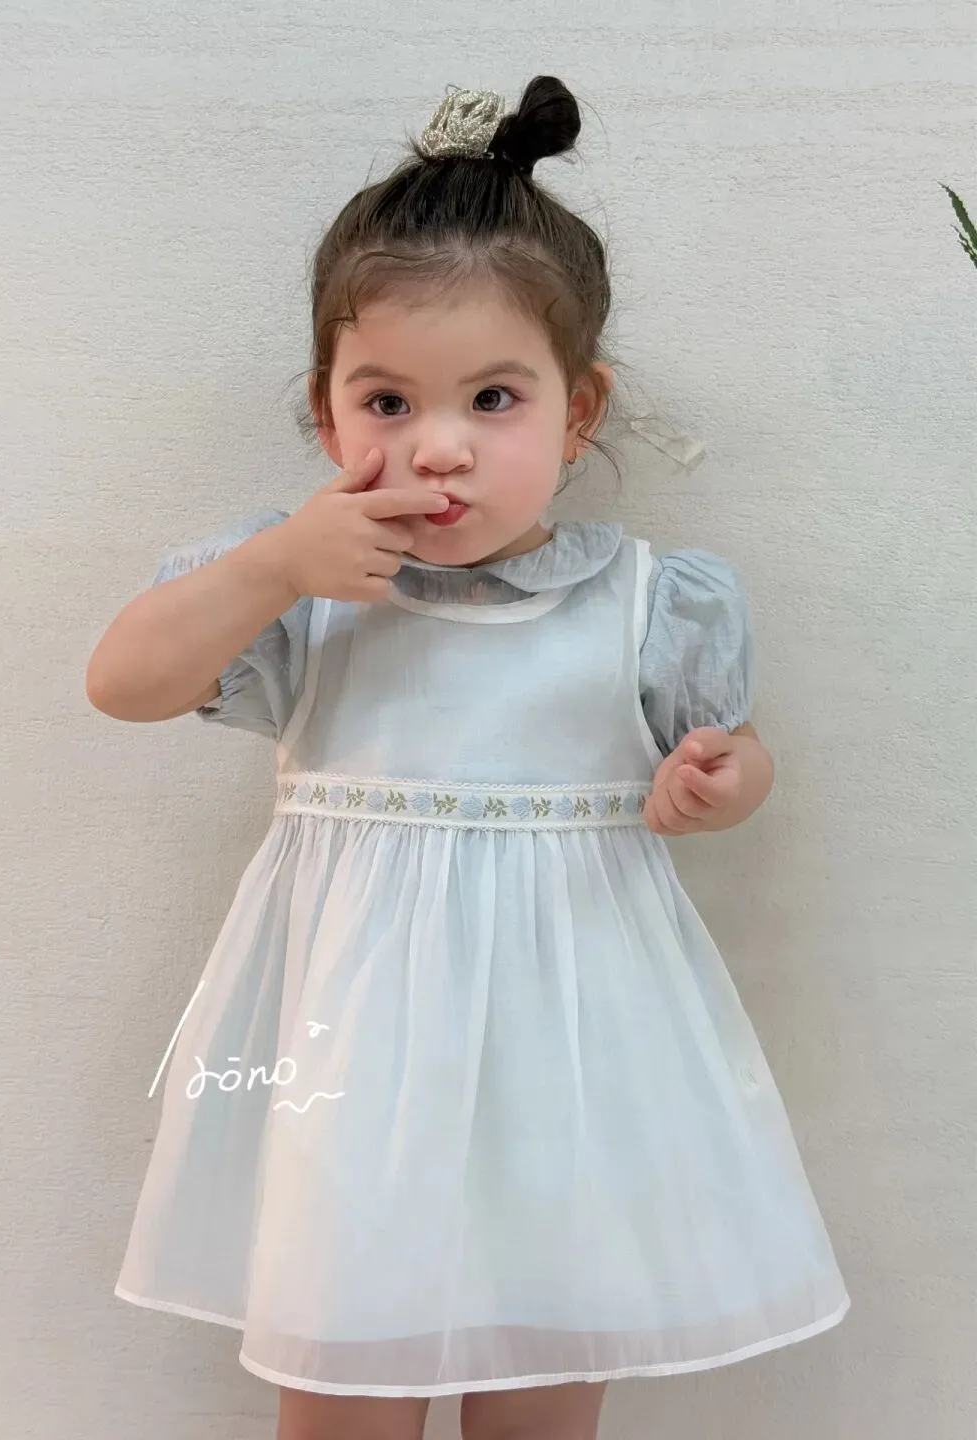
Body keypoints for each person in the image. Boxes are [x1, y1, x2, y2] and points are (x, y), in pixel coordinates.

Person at [87, 76, 849, 1440]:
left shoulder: (647, 603)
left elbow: (739, 756)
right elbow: (123, 684)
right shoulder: (308, 594)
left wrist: (723, 784)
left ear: (578, 411)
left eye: (493, 398)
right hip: (353, 1077)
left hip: (576, 1068)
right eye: (386, 400)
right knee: (343, 1385)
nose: (437, 447)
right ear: (328, 414)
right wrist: (273, 564)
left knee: (545, 1379)